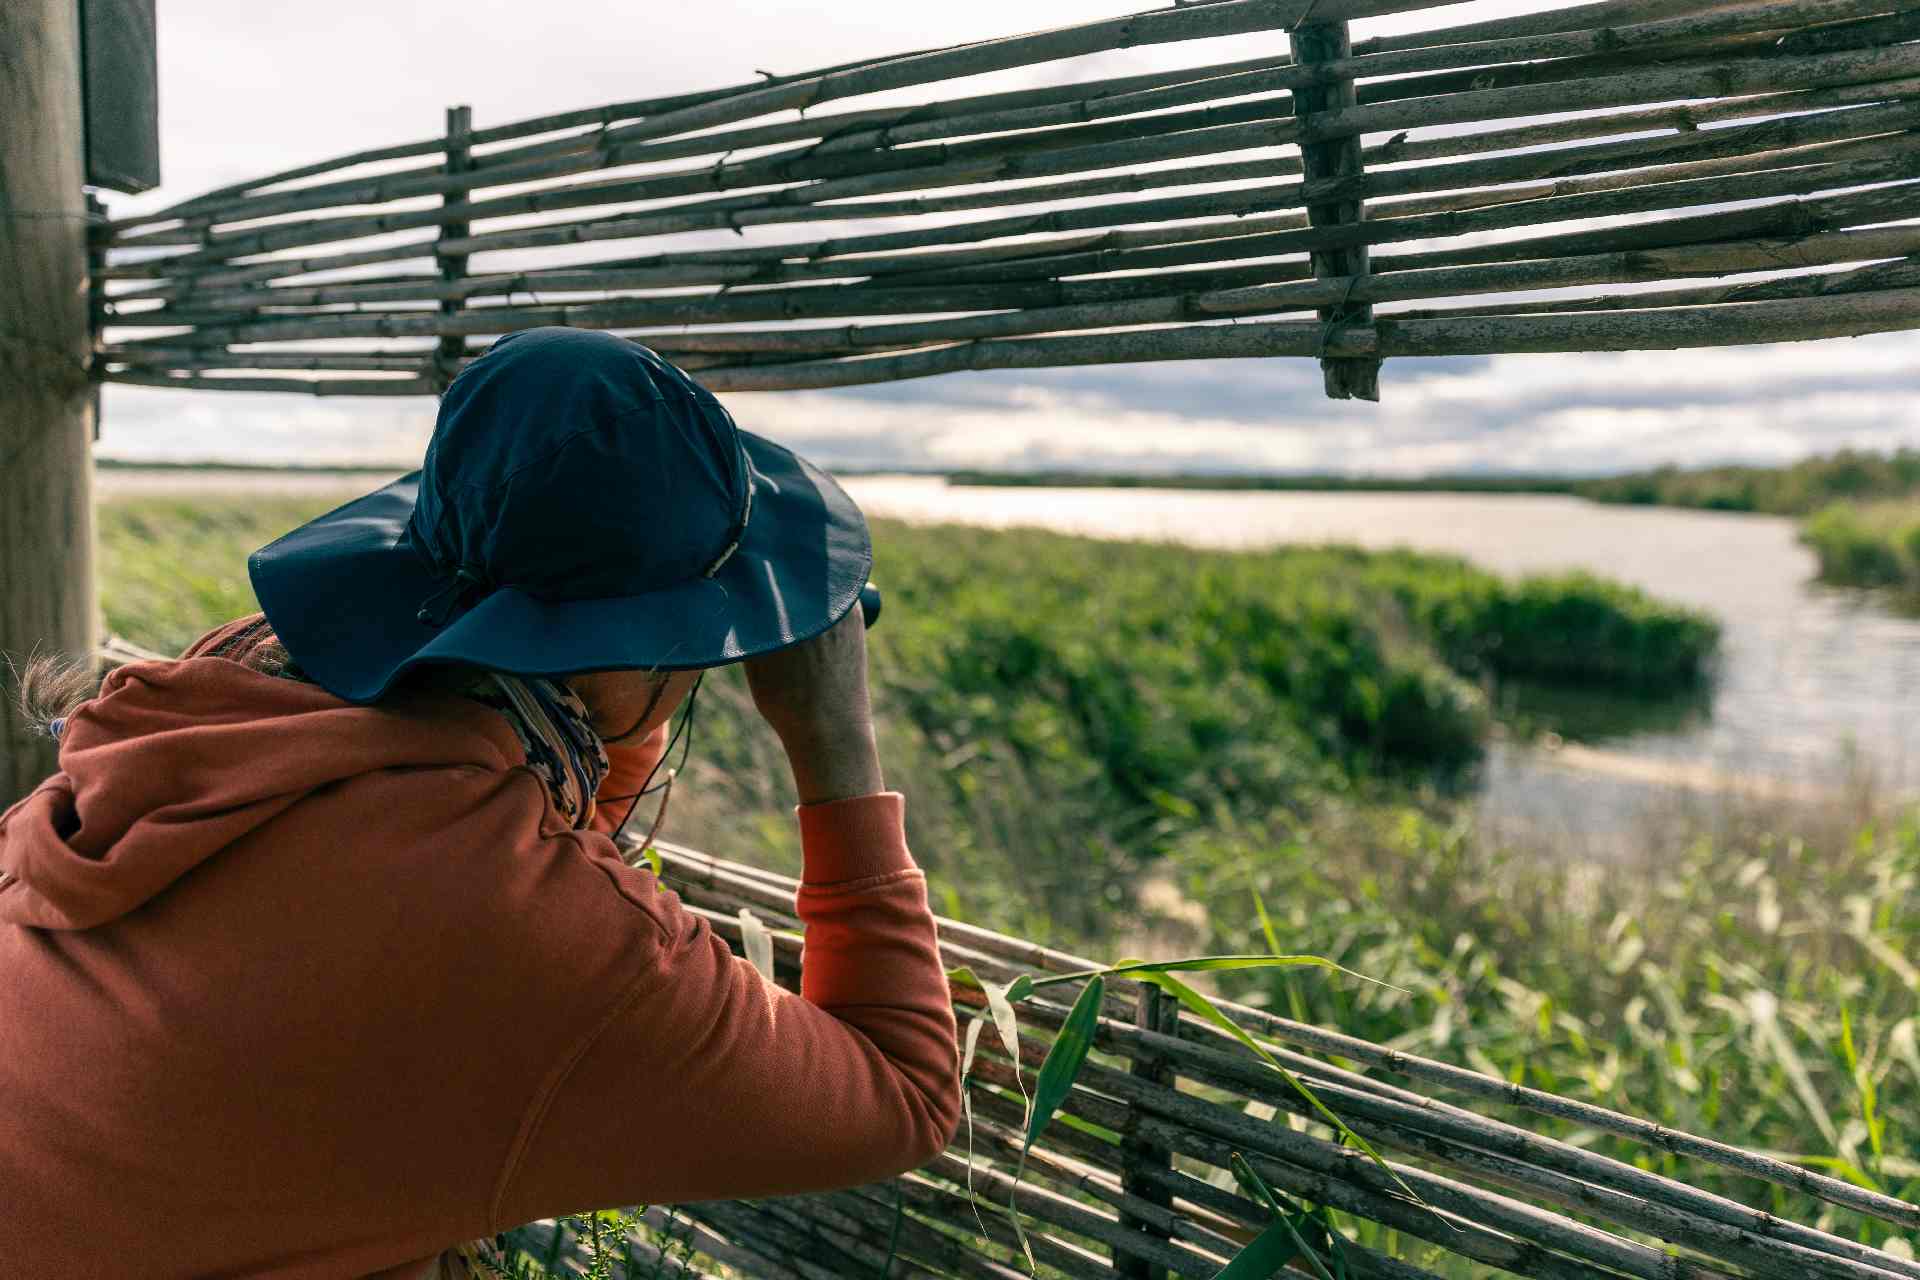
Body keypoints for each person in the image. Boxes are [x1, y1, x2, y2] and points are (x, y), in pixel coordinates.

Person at [0, 328, 963, 1278]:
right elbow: (904, 1095)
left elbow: (506, 815)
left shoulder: (207, 712)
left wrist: (615, 703)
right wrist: (836, 747)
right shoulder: (543, 938)